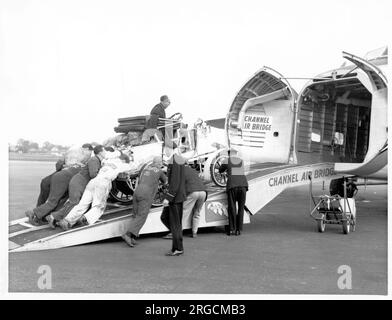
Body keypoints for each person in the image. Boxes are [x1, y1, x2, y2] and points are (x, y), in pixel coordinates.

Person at [58, 153, 138, 230]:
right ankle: (86, 218)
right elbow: (134, 168)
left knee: (82, 204)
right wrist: (131, 161)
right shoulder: (123, 165)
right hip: (103, 183)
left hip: (92, 182)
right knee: (99, 206)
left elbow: (106, 158)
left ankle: (67, 221)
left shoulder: (107, 161)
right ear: (124, 160)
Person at [25, 144, 93, 226]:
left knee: (58, 200)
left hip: (58, 176)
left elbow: (59, 165)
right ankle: (34, 213)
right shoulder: (86, 163)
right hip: (63, 179)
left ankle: (49, 217)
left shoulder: (73, 155)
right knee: (53, 202)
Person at [46, 145, 107, 228]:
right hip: (79, 183)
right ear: (100, 152)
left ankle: (57, 218)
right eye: (104, 151)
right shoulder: (94, 160)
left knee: (73, 203)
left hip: (80, 183)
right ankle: (53, 217)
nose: (106, 152)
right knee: (74, 203)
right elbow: (93, 174)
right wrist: (104, 173)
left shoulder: (96, 160)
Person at [121, 156, 168, 247]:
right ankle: (127, 234)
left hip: (137, 192)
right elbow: (166, 182)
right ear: (159, 163)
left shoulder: (146, 170)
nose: (161, 164)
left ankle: (133, 237)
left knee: (135, 214)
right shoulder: (159, 171)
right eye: (161, 162)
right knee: (142, 216)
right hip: (146, 194)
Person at [160, 151, 186, 256]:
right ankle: (177, 239)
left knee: (174, 224)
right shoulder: (177, 159)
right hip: (178, 196)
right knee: (170, 221)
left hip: (175, 197)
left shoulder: (175, 161)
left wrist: (169, 198)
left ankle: (178, 247)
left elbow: (174, 182)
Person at [219, 151, 248, 236]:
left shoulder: (227, 160)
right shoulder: (241, 161)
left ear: (229, 154)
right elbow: (236, 171)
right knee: (241, 208)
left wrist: (225, 170)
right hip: (243, 185)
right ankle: (239, 230)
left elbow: (220, 170)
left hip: (232, 185)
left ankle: (232, 229)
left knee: (232, 208)